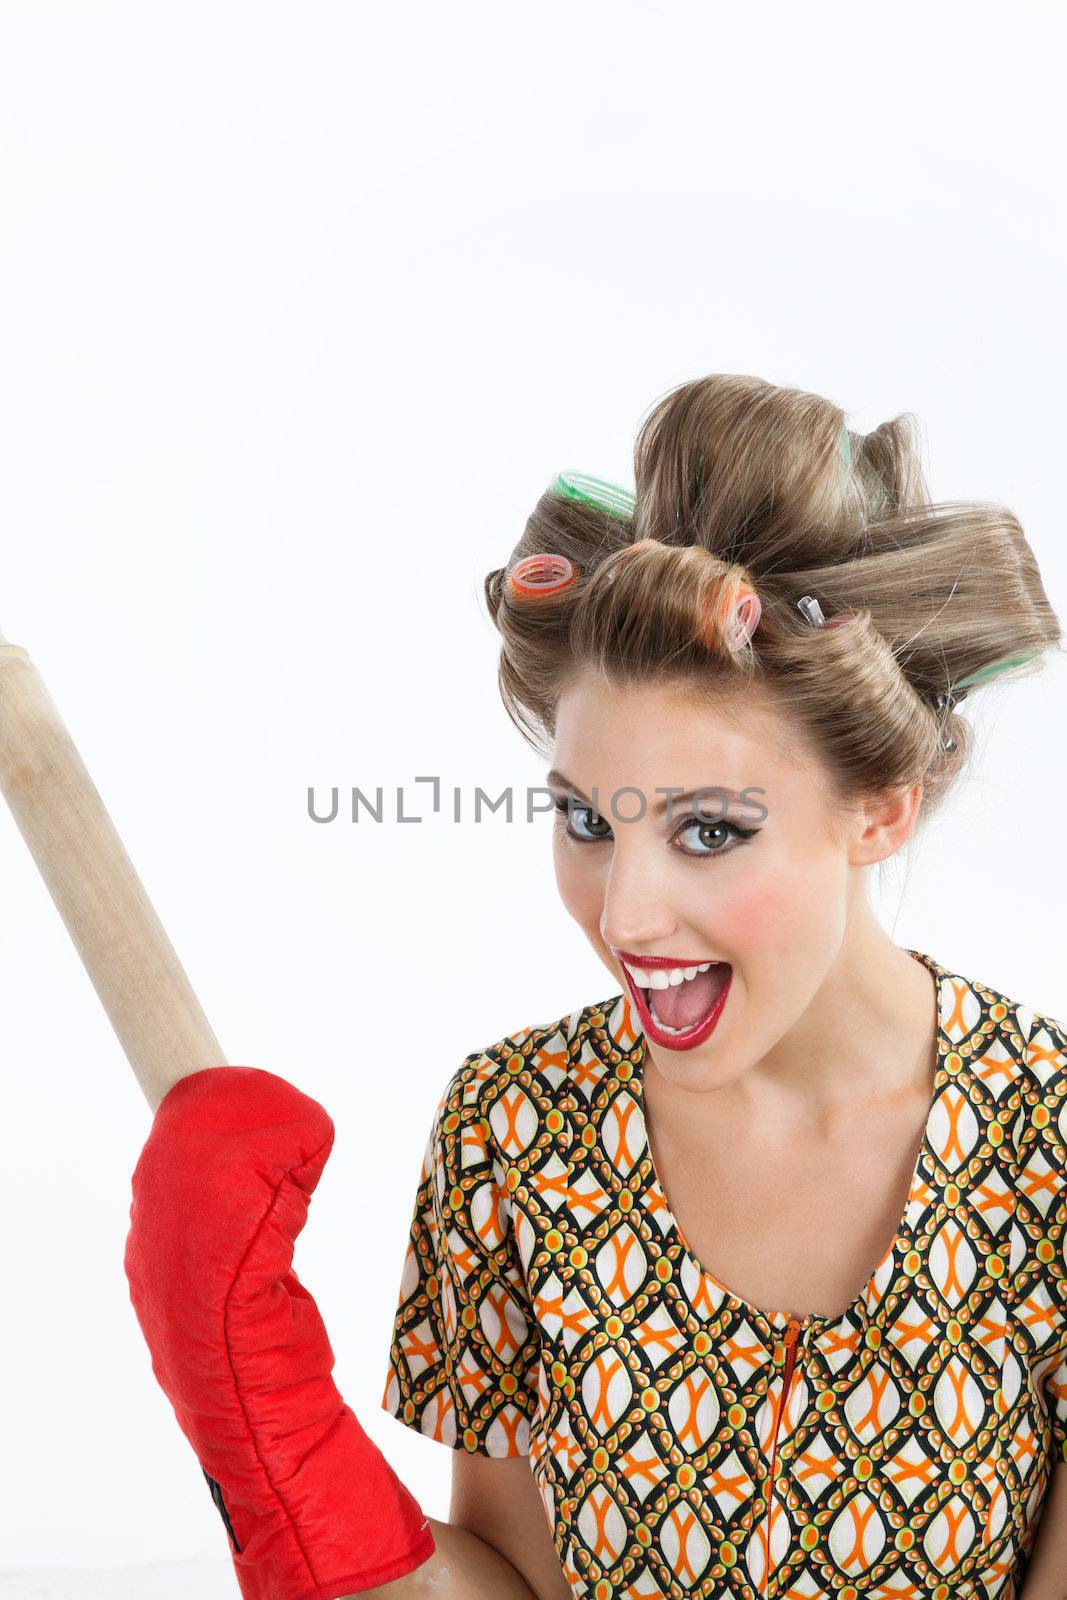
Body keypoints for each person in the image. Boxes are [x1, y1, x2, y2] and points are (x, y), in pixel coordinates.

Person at [379, 374, 1067, 1598]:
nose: (623, 911)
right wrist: (265, 1437)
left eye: (708, 832)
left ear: (878, 810)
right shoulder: (510, 1127)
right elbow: (515, 1581)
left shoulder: (1046, 1139)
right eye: (586, 818)